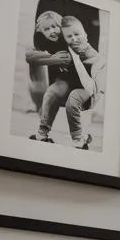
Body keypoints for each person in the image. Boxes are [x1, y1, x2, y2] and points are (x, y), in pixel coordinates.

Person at [31, 15, 105, 149]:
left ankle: (78, 140)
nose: (74, 39)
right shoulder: (63, 46)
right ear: (64, 38)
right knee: (51, 91)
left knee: (73, 98)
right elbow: (41, 45)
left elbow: (94, 77)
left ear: (85, 35)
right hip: (69, 86)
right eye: (69, 36)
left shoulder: (89, 53)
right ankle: (42, 133)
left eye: (77, 34)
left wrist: (80, 56)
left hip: (88, 91)